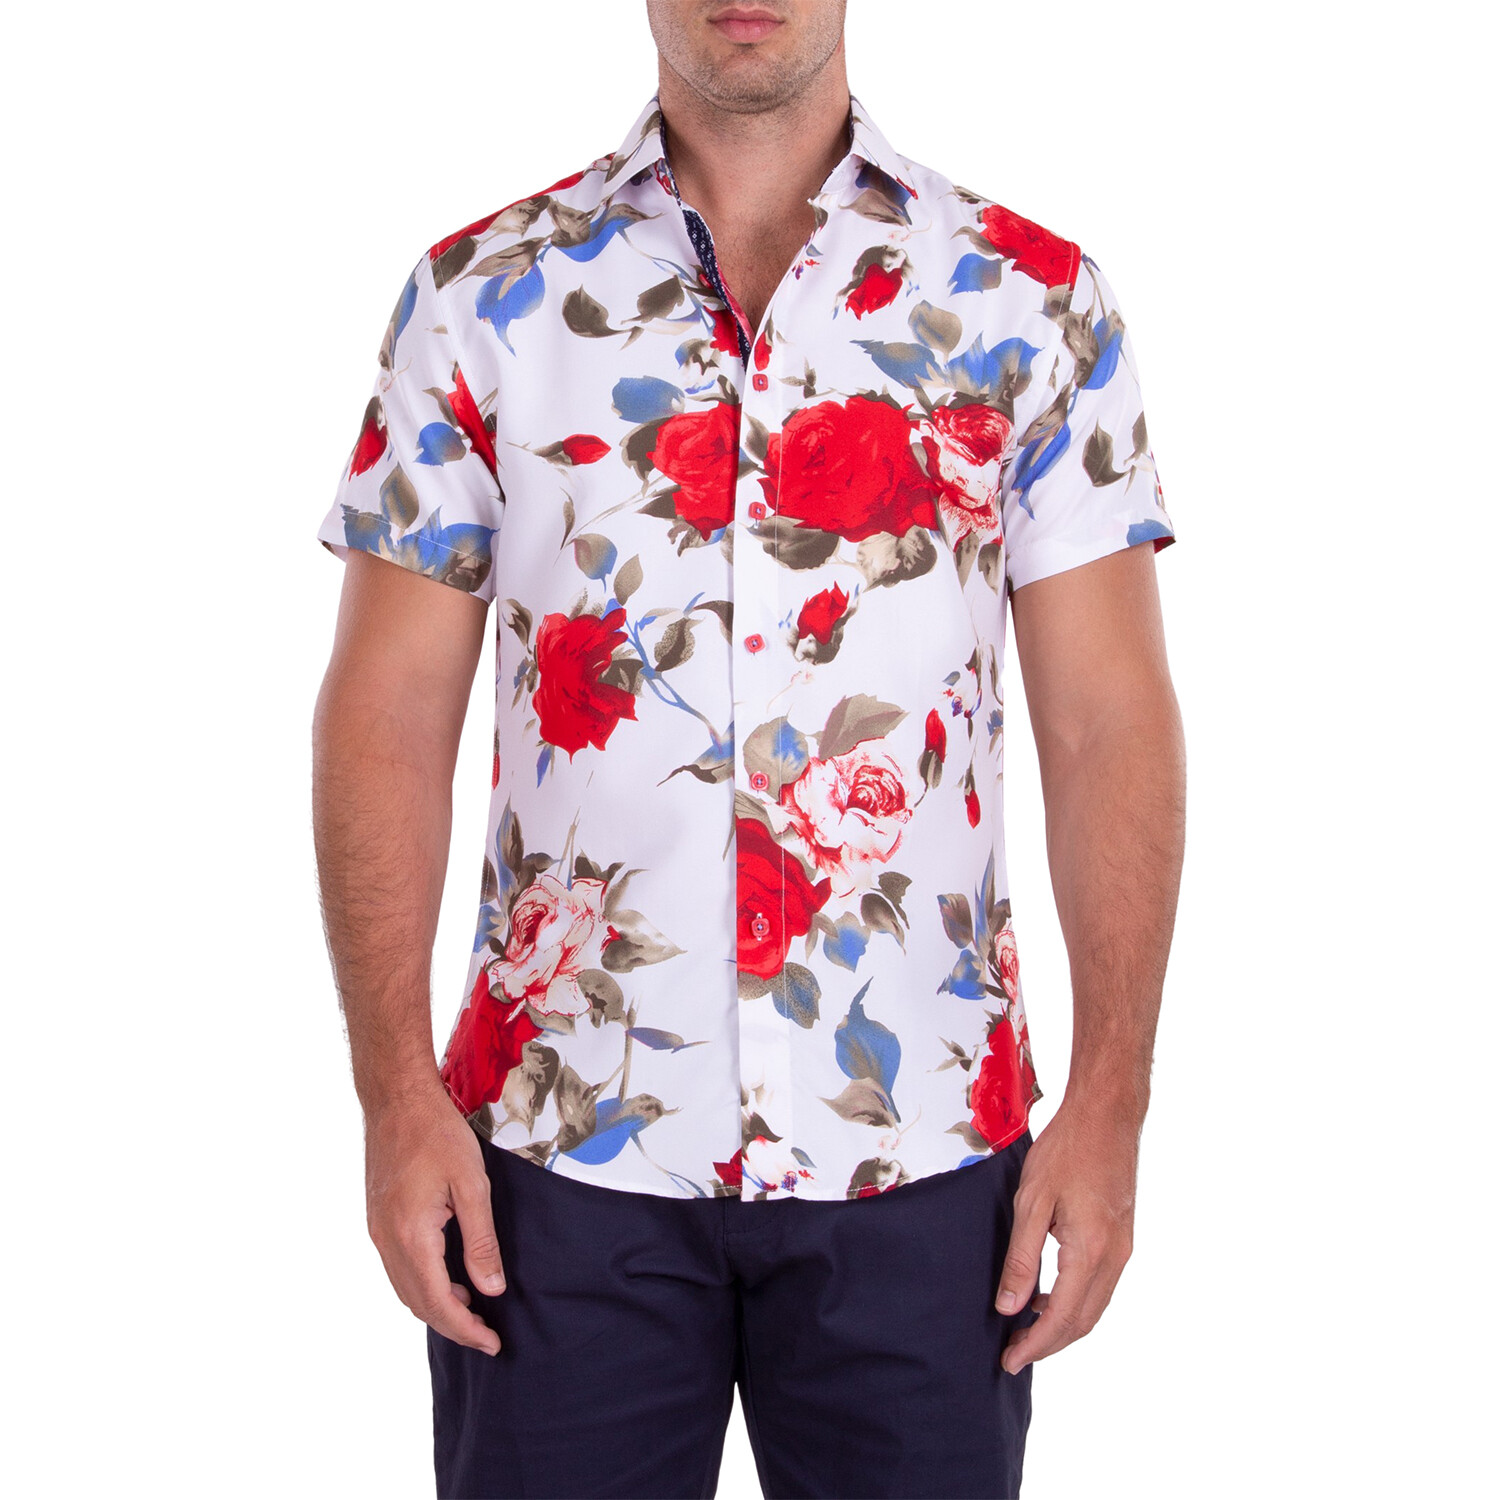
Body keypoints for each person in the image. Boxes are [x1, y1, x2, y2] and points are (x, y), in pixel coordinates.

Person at [310, 3, 1185, 1495]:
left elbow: (1108, 723)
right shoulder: (483, 297)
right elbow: (386, 713)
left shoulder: (1030, 301)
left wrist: (1113, 1098)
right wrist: (393, 1095)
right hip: (552, 1159)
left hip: (923, 1158)